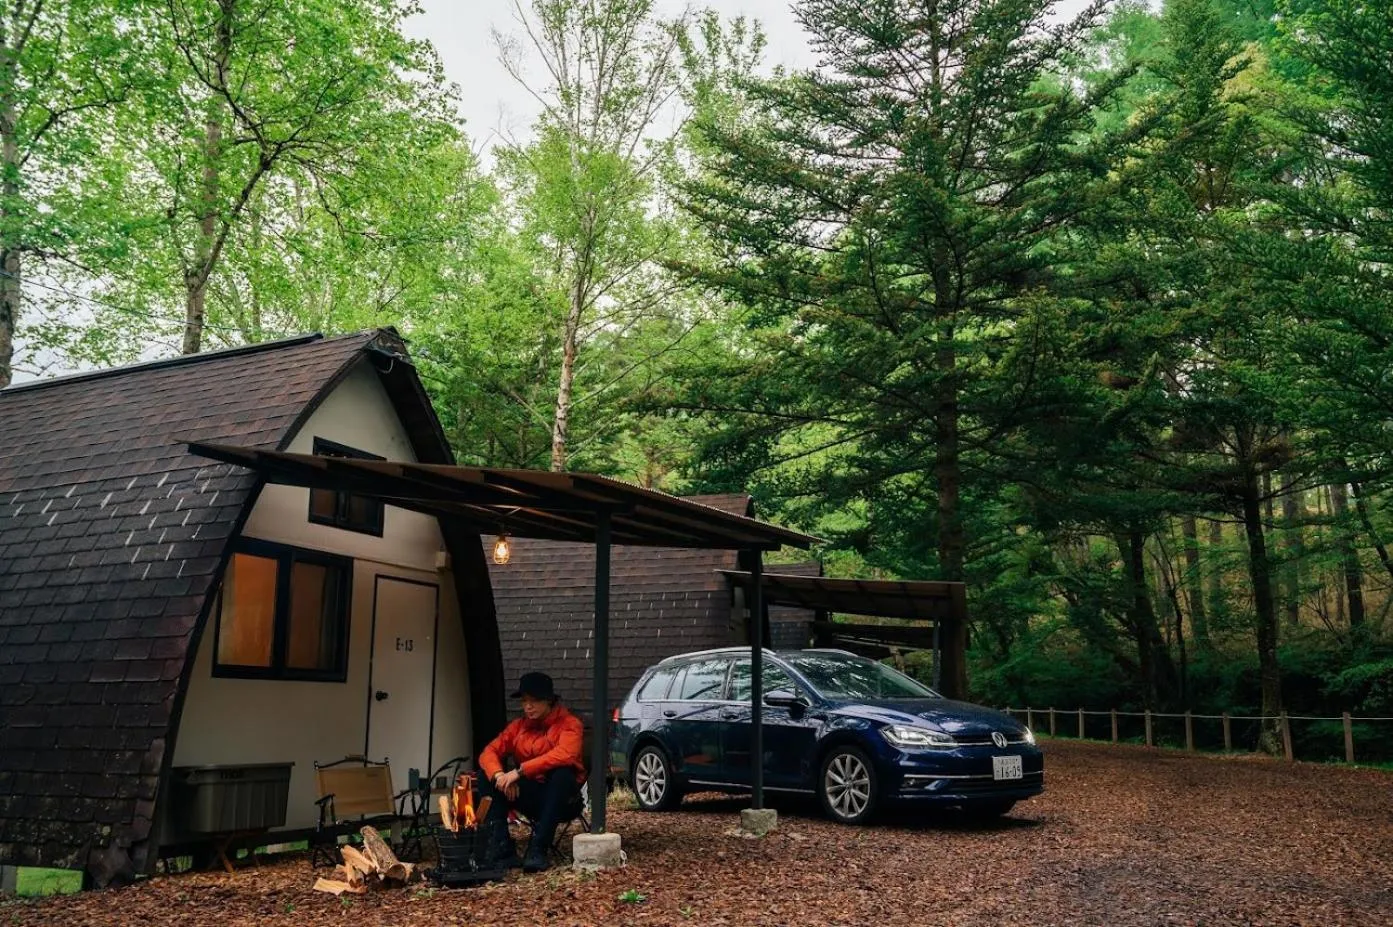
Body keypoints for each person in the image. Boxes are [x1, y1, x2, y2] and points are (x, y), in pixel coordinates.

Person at [477, 672, 586, 872]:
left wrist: (519, 772)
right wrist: (501, 776)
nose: (528, 706)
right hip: (529, 795)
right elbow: (489, 752)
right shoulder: (518, 727)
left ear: (549, 701)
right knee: (485, 776)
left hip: (563, 800)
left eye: (534, 701)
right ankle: (502, 849)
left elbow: (565, 755)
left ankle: (538, 849)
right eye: (525, 701)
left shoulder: (570, 724)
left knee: (562, 773)